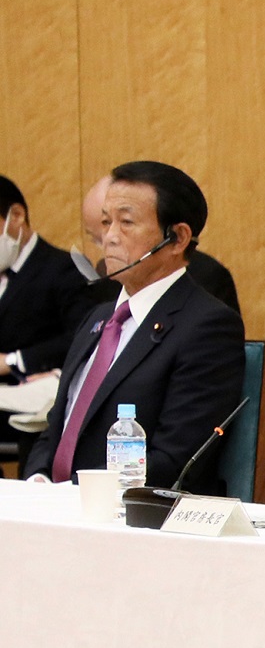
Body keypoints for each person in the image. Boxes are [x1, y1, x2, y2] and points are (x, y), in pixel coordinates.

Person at [24, 162, 246, 493]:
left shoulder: (208, 326)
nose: (109, 237)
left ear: (177, 238)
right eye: (106, 222)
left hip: (130, 511)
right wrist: (38, 480)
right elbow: (60, 422)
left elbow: (176, 460)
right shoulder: (98, 318)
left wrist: (74, 492)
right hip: (55, 503)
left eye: (126, 222)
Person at [79, 174, 240, 314]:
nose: (109, 241)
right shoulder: (104, 284)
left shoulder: (206, 277)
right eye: (98, 238)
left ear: (175, 236)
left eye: (126, 222)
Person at [0, 176, 95, 380]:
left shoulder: (66, 268)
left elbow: (86, 335)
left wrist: (14, 360)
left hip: (34, 389)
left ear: (16, 216)